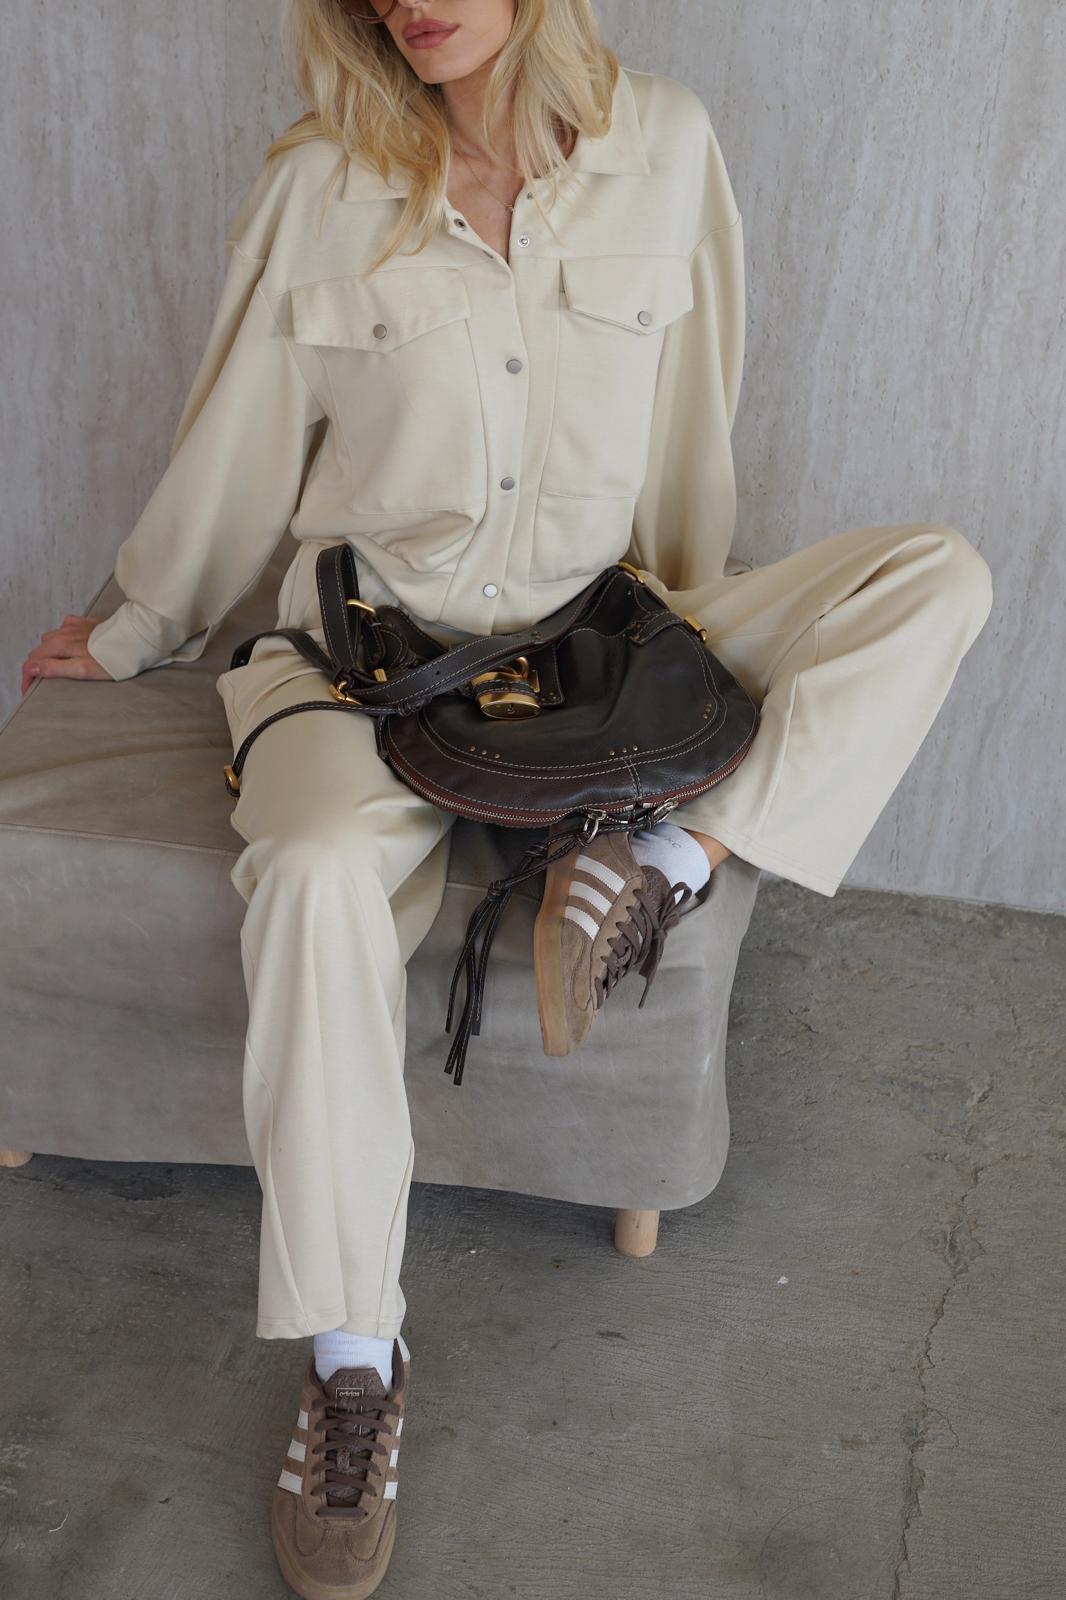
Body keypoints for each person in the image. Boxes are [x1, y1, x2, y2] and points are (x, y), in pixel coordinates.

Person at [21, 1, 994, 1593]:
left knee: (932, 577)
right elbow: (236, 443)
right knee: (314, 872)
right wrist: (132, 626)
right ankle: (352, 1358)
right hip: (365, 659)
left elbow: (693, 418)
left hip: (595, 633)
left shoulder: (663, 145)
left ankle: (665, 858)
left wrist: (664, 700)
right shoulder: (320, 181)